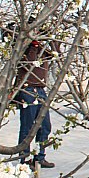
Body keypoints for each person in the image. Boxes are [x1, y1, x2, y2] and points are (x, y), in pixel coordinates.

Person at [13, 23, 59, 169]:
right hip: (26, 89)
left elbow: (56, 53)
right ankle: (24, 159)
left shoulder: (42, 49)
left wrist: (50, 36)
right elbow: (26, 62)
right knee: (27, 126)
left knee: (45, 125)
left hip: (40, 90)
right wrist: (31, 42)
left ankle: (40, 157)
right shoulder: (23, 47)